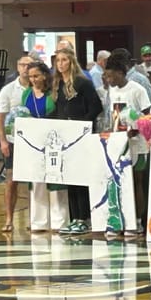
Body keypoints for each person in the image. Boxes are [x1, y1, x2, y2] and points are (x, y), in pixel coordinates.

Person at [51, 48, 103, 235]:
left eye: (64, 60)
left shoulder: (83, 83)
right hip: (66, 138)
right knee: (70, 177)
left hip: (82, 137)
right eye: (58, 61)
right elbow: (58, 111)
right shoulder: (58, 85)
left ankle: (85, 217)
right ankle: (75, 218)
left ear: (71, 62)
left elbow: (96, 106)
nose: (61, 64)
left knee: (81, 178)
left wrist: (82, 126)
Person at [103, 54, 151, 235]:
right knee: (120, 180)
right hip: (119, 142)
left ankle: (137, 221)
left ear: (120, 72)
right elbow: (113, 116)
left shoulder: (137, 90)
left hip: (137, 143)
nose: (108, 79)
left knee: (137, 181)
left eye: (111, 76)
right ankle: (121, 219)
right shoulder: (112, 91)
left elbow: (148, 116)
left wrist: (136, 130)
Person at [22, 61, 68, 233]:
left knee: (55, 180)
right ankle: (38, 222)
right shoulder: (26, 94)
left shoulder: (53, 93)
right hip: (33, 144)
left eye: (36, 76)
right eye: (30, 76)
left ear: (45, 75)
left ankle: (59, 221)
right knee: (36, 181)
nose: (33, 79)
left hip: (53, 142)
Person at [0, 55, 35, 232]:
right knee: (11, 180)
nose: (26, 68)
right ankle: (9, 219)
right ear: (18, 67)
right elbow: (0, 117)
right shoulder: (8, 90)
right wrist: (3, 140)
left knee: (35, 181)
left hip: (34, 141)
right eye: (22, 65)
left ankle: (35, 219)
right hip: (13, 142)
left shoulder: (39, 88)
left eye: (29, 65)